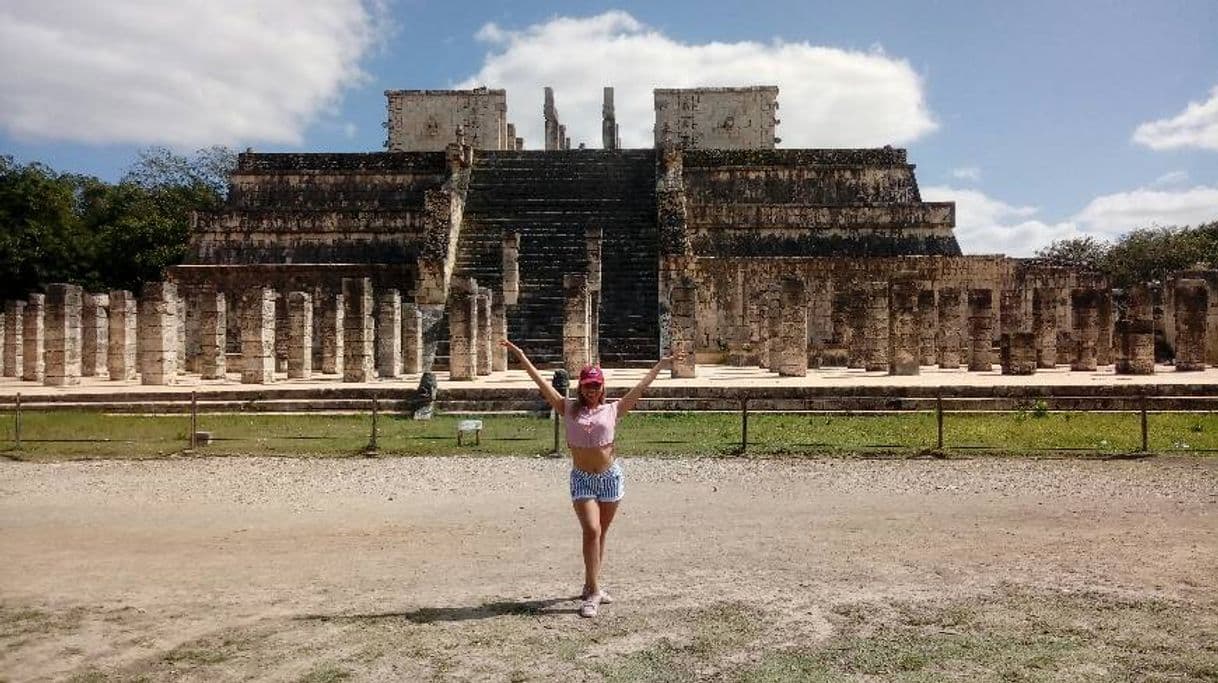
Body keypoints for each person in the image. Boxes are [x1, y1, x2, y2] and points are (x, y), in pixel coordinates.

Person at [499, 339, 677, 618]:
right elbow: (540, 383)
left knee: (600, 534)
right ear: (580, 387)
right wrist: (519, 354)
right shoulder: (567, 408)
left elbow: (641, 388)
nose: (592, 390)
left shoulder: (613, 409)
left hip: (610, 477)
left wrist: (662, 364)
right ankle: (593, 594)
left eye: (596, 386)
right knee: (591, 530)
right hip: (582, 478)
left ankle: (591, 584)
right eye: (587, 386)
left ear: (602, 387)